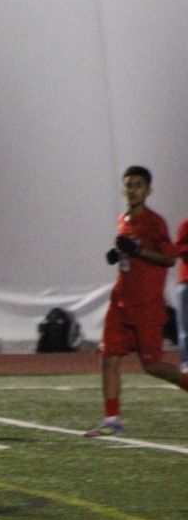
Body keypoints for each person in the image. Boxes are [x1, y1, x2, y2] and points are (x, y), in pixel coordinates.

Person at [85, 166, 188, 437]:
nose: (132, 190)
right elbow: (131, 255)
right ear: (123, 188)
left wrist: (138, 251)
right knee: (109, 359)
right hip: (120, 301)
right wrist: (119, 255)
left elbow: (169, 258)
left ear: (148, 191)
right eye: (128, 184)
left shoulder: (154, 222)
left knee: (153, 366)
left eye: (138, 185)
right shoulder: (123, 220)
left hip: (146, 305)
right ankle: (111, 422)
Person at [176, 215, 188, 374]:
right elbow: (177, 248)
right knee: (185, 326)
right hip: (186, 282)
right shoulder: (186, 224)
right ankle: (186, 363)